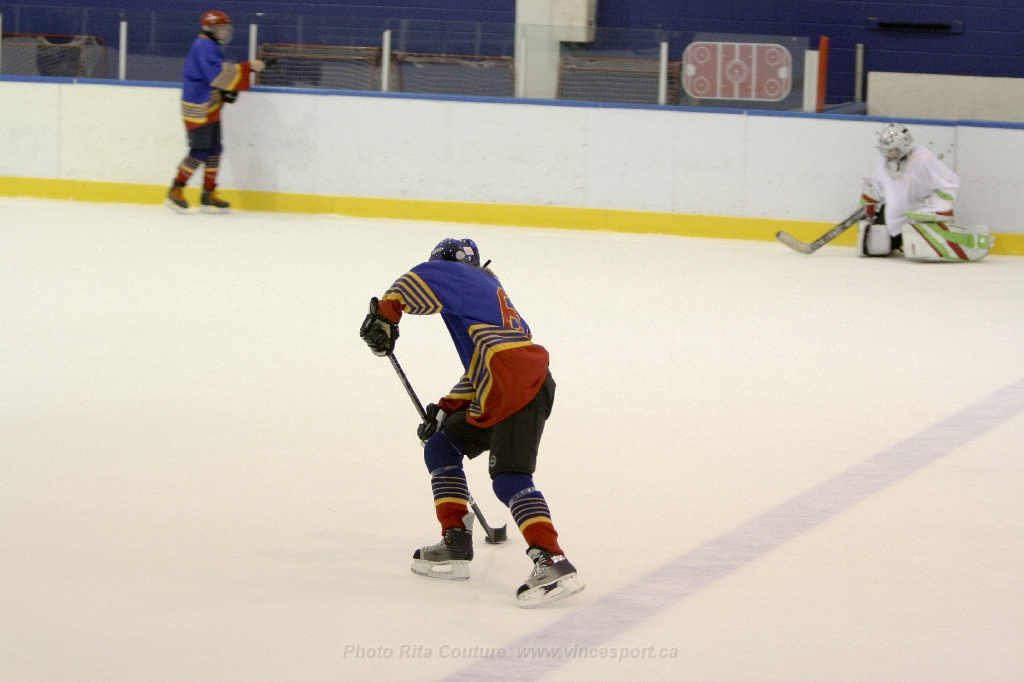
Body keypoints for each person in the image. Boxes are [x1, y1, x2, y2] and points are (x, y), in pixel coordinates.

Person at [359, 238, 585, 608]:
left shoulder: (462, 275)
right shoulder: (482, 299)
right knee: (441, 445)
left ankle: (552, 559)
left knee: (510, 479)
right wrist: (446, 408)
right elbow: (481, 370)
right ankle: (456, 541)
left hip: (515, 388)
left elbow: (422, 276)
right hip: (503, 385)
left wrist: (386, 314)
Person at [165, 11, 274, 214]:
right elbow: (216, 75)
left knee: (215, 149)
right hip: (198, 108)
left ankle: (208, 194)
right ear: (209, 29)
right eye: (220, 28)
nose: (225, 32)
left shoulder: (210, 45)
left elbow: (213, 76)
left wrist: (225, 92)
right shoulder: (203, 45)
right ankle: (176, 190)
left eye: (225, 28)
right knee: (199, 151)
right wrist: (250, 66)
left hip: (210, 105)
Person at [858, 123, 992, 261]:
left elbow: (950, 182)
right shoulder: (884, 160)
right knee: (873, 247)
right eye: (886, 150)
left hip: (915, 217)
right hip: (894, 223)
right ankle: (897, 238)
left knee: (917, 239)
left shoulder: (923, 158)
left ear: (904, 146)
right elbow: (879, 185)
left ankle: (966, 241)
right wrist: (870, 198)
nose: (888, 154)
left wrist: (940, 204)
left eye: (893, 150)